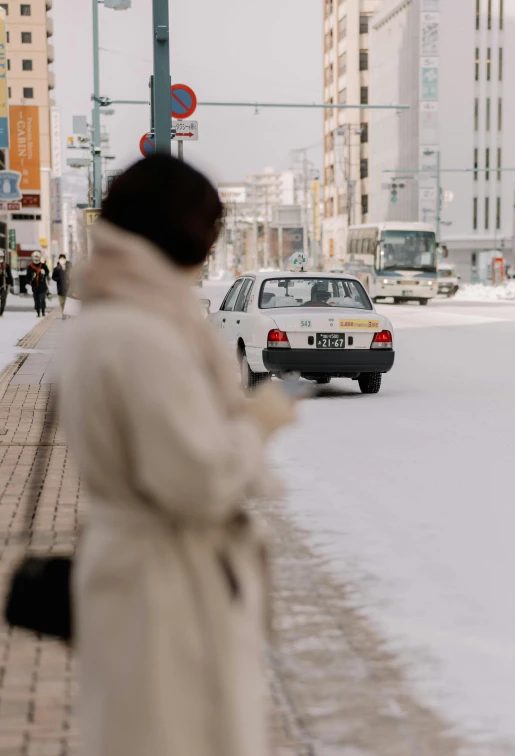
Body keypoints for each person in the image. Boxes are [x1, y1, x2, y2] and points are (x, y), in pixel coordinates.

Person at [58, 155, 295, 756]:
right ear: (180, 231)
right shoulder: (141, 334)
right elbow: (198, 480)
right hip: (165, 588)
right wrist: (255, 424)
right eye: (209, 233)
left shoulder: (108, 319)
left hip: (138, 573)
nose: (210, 251)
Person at [26, 251, 50, 317]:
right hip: (35, 286)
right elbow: (27, 277)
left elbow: (47, 273)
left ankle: (43, 311)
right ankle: (38, 312)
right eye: (35, 258)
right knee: (36, 299)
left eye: (37, 258)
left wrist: (44, 273)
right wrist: (30, 280)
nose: (36, 260)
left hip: (42, 285)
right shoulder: (30, 267)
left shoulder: (43, 266)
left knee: (42, 298)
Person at [52, 254, 72, 318]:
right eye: (61, 259)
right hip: (60, 287)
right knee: (62, 302)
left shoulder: (69, 268)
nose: (62, 260)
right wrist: (58, 279)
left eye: (63, 259)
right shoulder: (57, 269)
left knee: (68, 302)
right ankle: (64, 313)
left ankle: (68, 313)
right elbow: (53, 277)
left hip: (68, 287)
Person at [0, 251, 13, 317]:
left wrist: (10, 283)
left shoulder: (6, 266)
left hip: (4, 285)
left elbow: (10, 275)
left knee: (3, 299)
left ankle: (1, 312)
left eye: (1, 257)